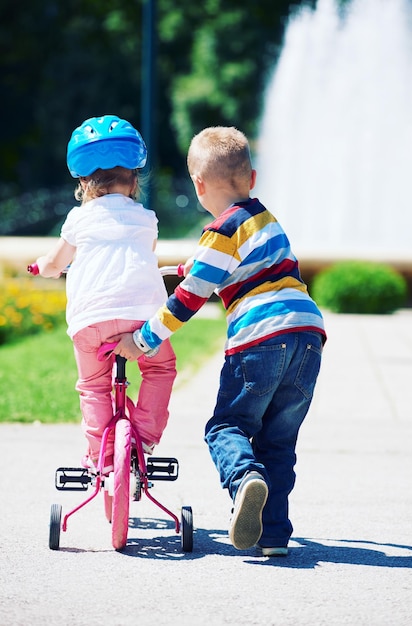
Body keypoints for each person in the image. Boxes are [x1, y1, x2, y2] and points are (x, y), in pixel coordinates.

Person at [110, 126, 326, 556]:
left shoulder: (219, 232)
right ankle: (273, 537)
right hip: (308, 338)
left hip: (258, 339)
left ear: (199, 184)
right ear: (253, 179)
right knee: (279, 444)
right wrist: (190, 264)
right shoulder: (265, 219)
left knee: (227, 427)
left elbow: (189, 298)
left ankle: (244, 479)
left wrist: (142, 340)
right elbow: (231, 263)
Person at [34, 115, 176, 473]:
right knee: (160, 369)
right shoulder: (147, 217)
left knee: (94, 387)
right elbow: (147, 251)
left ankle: (101, 458)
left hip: (91, 320)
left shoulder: (77, 220)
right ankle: (143, 439)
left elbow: (55, 264)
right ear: (134, 180)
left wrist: (43, 266)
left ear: (84, 182)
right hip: (143, 316)